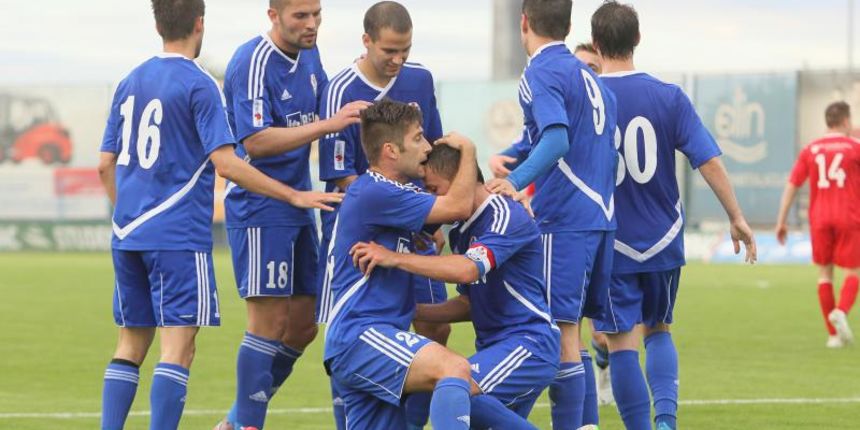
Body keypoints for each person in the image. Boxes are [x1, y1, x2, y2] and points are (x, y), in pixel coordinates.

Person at [97, 1, 341, 429]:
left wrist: (126, 216)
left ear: (157, 24)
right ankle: (241, 422)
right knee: (178, 350)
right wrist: (293, 195)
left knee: (130, 343)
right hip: (177, 234)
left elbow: (105, 164)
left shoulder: (128, 81)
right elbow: (228, 163)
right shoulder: (201, 83)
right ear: (199, 23)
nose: (312, 23)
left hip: (127, 232)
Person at [590, 2, 757, 429]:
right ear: (637, 39)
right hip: (663, 238)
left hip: (612, 241)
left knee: (622, 342)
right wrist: (735, 216)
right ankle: (666, 421)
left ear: (595, 44)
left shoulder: (588, 102)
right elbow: (710, 161)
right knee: (660, 329)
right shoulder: (669, 96)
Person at [324, 99, 536, 430]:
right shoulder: (376, 191)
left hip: (374, 336)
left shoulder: (397, 195)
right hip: (361, 333)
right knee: (453, 369)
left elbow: (460, 205)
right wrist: (467, 150)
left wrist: (509, 193)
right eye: (418, 138)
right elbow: (458, 205)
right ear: (392, 150)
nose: (427, 147)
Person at [216, 1, 369, 428]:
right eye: (301, 16)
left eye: (316, 14)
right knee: (268, 322)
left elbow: (329, 105)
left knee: (303, 325)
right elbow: (257, 141)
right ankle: (248, 423)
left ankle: (234, 419)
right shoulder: (252, 60)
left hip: (300, 202)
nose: (312, 24)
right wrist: (327, 125)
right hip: (261, 204)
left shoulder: (311, 53)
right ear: (273, 15)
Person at [351, 143, 560, 420]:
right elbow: (468, 304)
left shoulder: (503, 214)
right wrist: (411, 311)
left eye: (434, 190)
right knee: (433, 392)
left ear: (462, 180)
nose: (431, 201)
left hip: (527, 344)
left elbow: (467, 270)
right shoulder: (461, 230)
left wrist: (394, 258)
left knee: (452, 390)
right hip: (494, 348)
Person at [486, 1, 619, 428]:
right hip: (601, 218)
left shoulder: (540, 71)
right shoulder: (588, 74)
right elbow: (552, 134)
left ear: (523, 22)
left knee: (560, 333)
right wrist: (508, 157)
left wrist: (515, 179)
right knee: (573, 330)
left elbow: (557, 138)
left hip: (565, 218)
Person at [315, 3, 449, 427]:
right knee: (360, 336)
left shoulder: (421, 78)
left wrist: (433, 220)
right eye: (389, 50)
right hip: (362, 237)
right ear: (367, 40)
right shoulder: (339, 89)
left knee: (435, 328)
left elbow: (433, 153)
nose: (398, 60)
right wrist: (408, 212)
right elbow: (342, 177)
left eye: (405, 50)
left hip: (418, 226)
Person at [776, 101, 860, 349]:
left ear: (827, 121)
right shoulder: (855, 147)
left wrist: (781, 220)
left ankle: (833, 335)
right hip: (849, 216)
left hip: (820, 218)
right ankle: (841, 311)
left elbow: (793, 184)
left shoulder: (811, 150)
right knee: (853, 271)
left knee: (825, 274)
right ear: (845, 121)